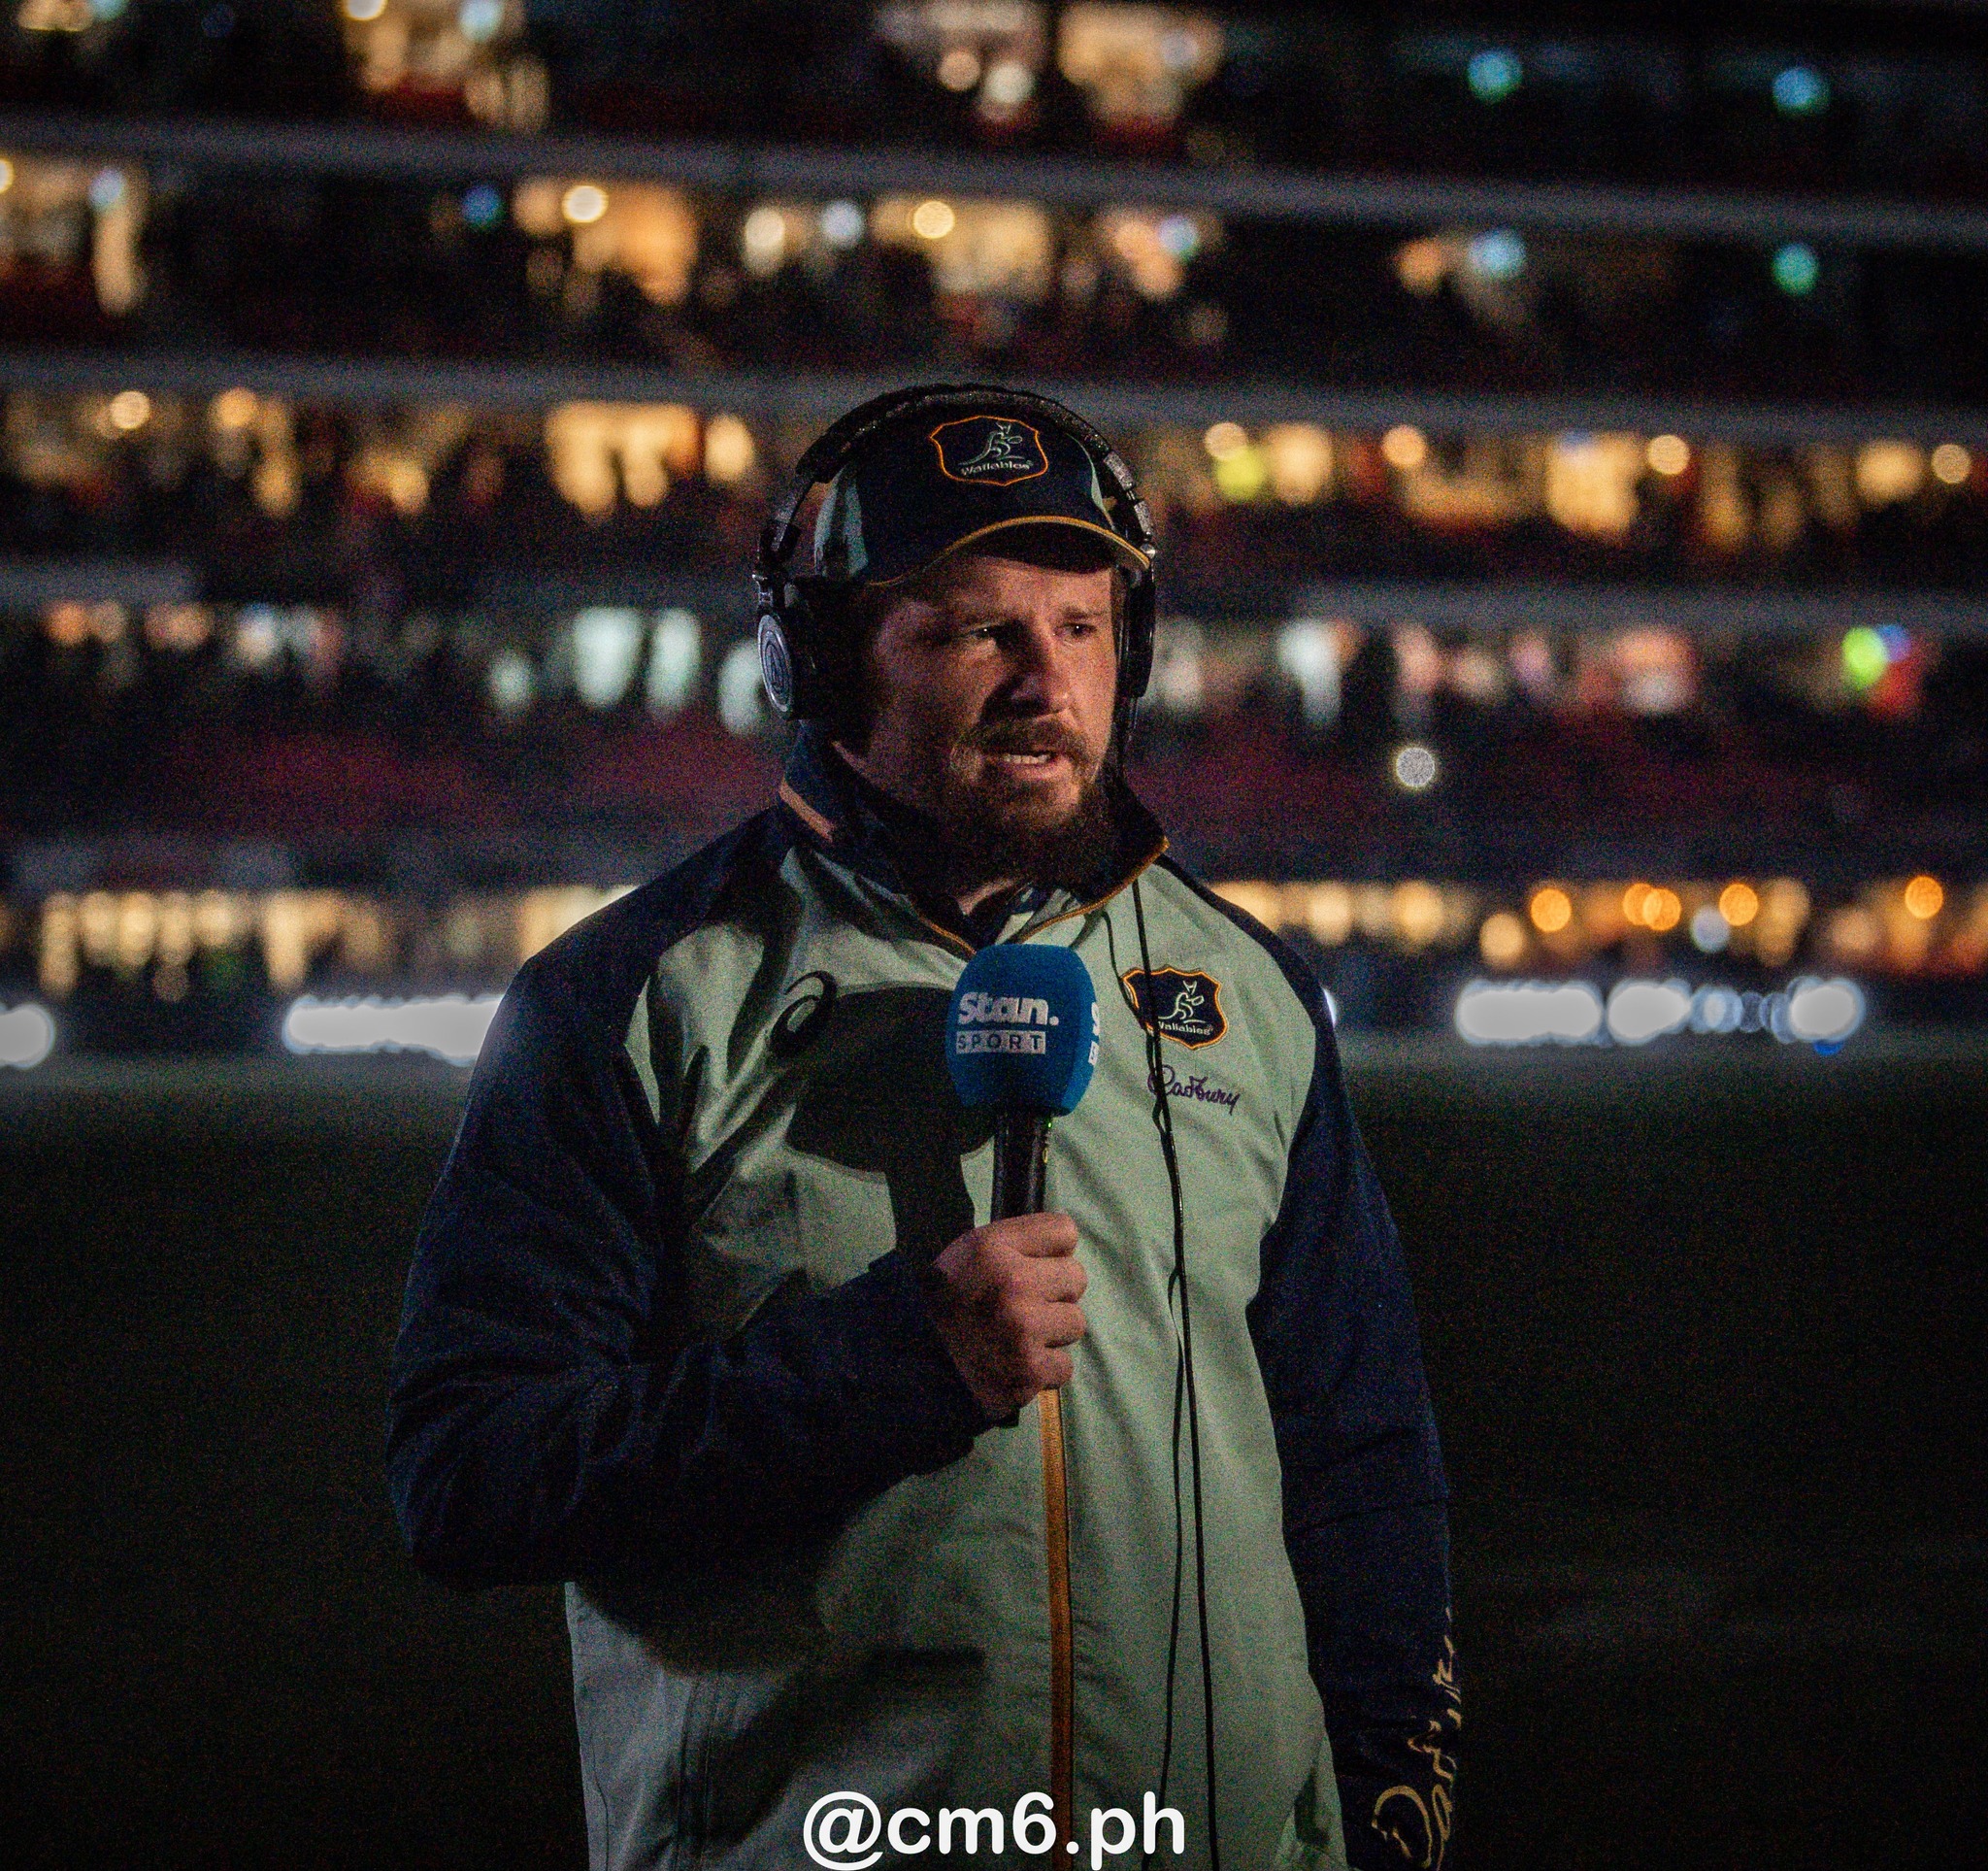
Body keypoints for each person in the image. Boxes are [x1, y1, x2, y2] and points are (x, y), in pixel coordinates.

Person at [386, 385, 1457, 1871]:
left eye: (1082, 629)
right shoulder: (629, 996)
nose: (1045, 682)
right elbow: (470, 1472)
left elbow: (1360, 1454)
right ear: (822, 661)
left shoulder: (1252, 992)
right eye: (975, 630)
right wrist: (884, 1371)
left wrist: (1393, 1785)